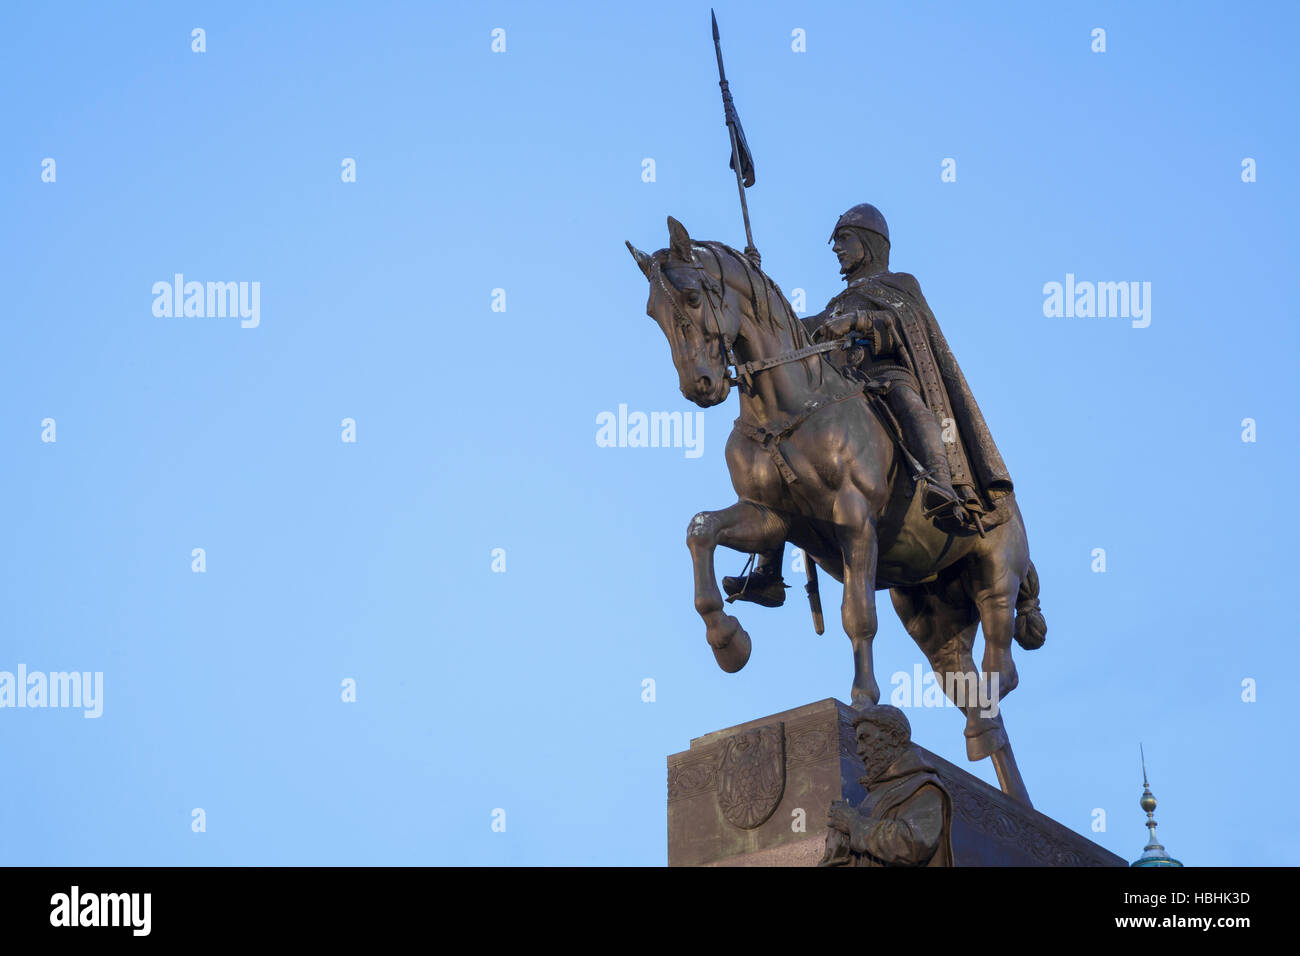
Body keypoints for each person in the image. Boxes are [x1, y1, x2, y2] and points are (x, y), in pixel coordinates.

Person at [723, 203, 1013, 608]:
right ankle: (767, 571)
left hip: (889, 377)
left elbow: (905, 326)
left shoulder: (899, 284)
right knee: (779, 441)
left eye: (844, 240)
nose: (836, 249)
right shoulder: (838, 300)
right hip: (843, 389)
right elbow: (792, 332)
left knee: (913, 409)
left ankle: (941, 486)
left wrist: (859, 324)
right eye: (836, 242)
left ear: (870, 243)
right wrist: (758, 285)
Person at [820, 705, 954, 867]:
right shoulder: (875, 794)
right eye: (857, 742)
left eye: (865, 738)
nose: (860, 750)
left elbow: (913, 844)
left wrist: (854, 824)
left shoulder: (922, 787)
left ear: (895, 737)